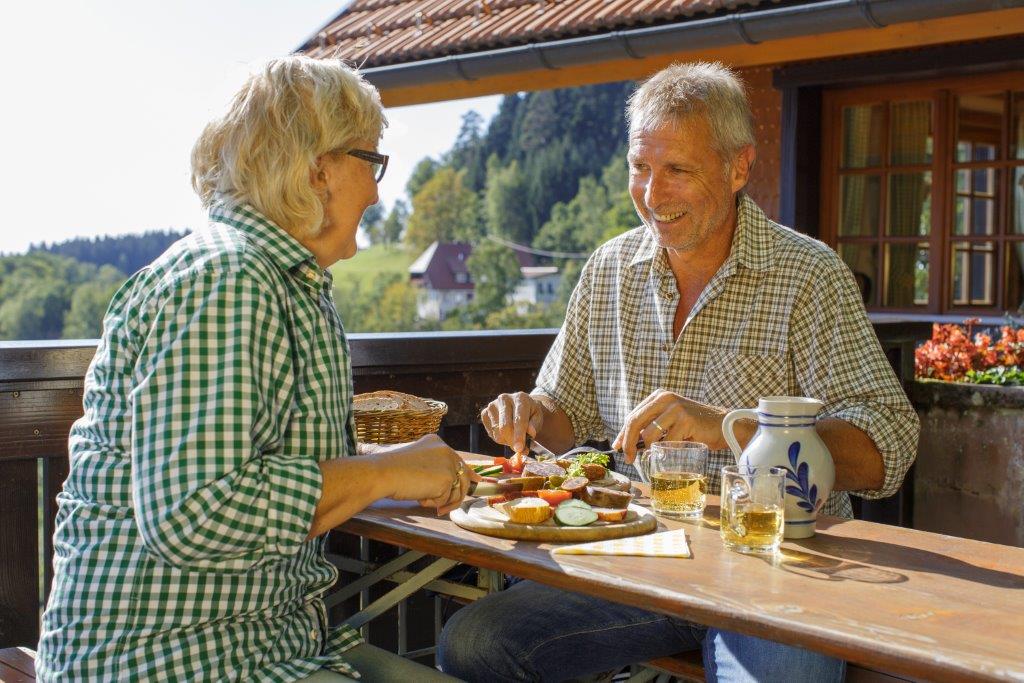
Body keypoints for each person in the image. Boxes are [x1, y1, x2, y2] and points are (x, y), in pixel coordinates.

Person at [438, 62, 919, 682]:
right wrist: (530, 412)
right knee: (475, 642)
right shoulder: (608, 268)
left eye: (678, 170)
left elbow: (889, 445)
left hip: (779, 567)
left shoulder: (808, 275)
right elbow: (564, 414)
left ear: (739, 168)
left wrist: (731, 428)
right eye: (640, 167)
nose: (652, 194)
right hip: (638, 556)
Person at [36, 56, 481, 682]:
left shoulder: (278, 278)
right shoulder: (229, 280)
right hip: (171, 662)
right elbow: (196, 512)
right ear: (316, 168)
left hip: (266, 645)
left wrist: (394, 465)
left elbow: (262, 457)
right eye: (371, 161)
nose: (379, 190)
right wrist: (384, 473)